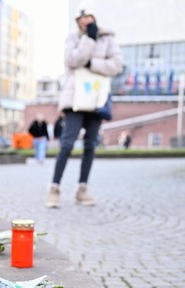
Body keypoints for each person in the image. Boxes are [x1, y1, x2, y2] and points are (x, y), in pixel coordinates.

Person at [47, 6, 122, 208]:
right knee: (67, 144)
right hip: (75, 99)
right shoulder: (73, 38)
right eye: (80, 18)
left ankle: (82, 189)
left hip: (96, 99)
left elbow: (116, 65)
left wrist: (91, 65)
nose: (84, 20)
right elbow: (72, 60)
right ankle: (54, 188)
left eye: (87, 17)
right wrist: (89, 39)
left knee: (90, 145)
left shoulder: (108, 39)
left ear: (94, 17)